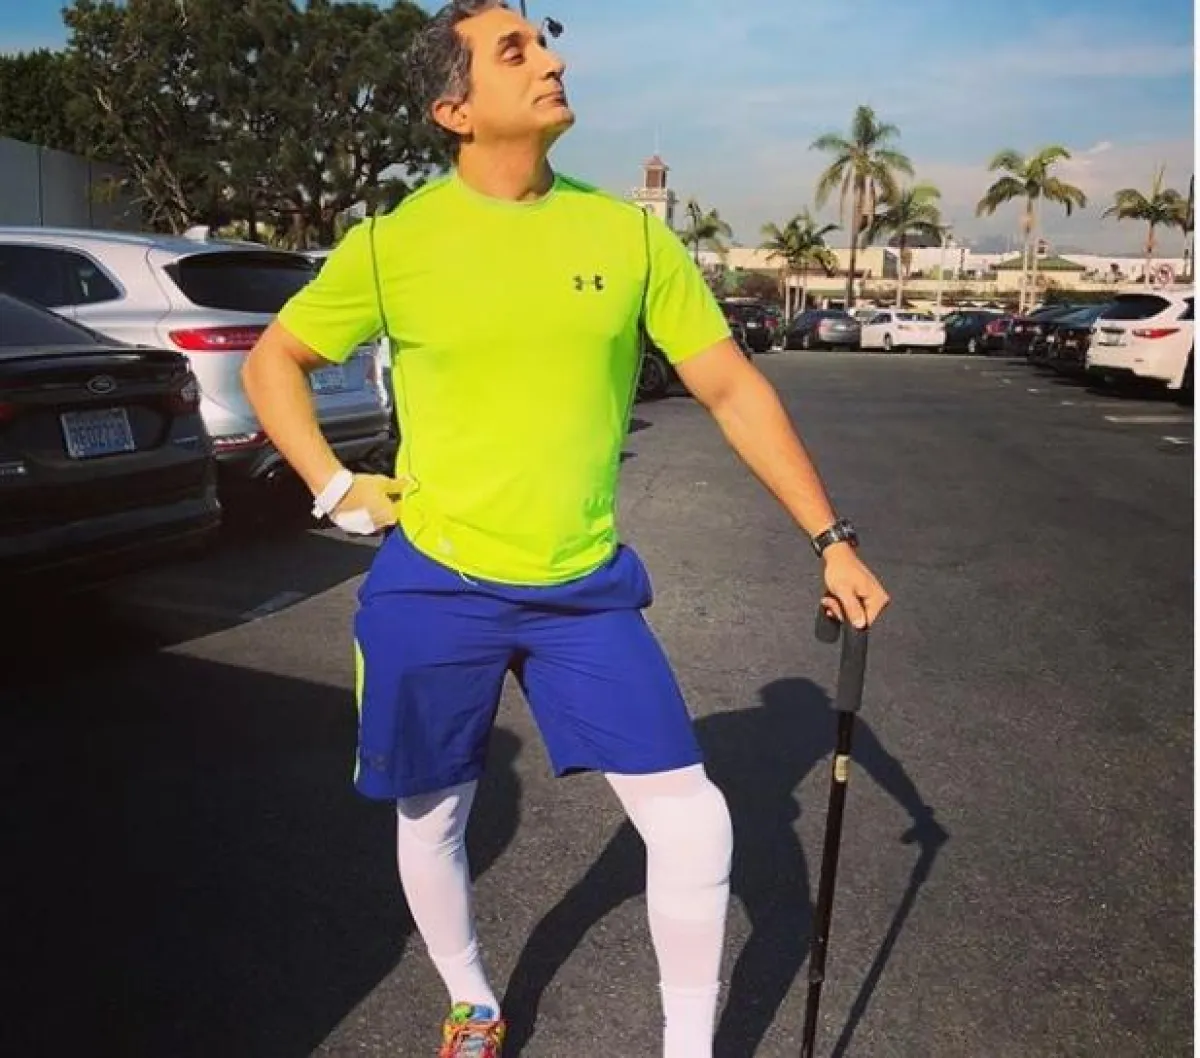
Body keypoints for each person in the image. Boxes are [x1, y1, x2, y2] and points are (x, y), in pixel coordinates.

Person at [241, 2, 890, 1055]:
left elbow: (729, 387)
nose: (551, 60)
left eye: (543, 42)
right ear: (453, 109)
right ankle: (473, 1000)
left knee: (695, 821)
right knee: (432, 814)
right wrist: (331, 484)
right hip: (434, 579)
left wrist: (832, 537)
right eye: (517, 50)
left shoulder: (627, 236)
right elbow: (274, 360)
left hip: (582, 589)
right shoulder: (392, 245)